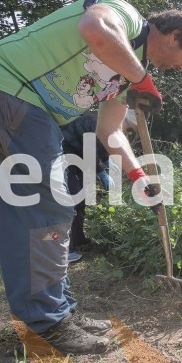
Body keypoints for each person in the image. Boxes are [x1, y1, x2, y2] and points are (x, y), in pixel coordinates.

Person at [0, 0, 182, 354]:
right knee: (46, 210)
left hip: (24, 107)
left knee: (43, 212)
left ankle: (58, 313)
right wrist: (140, 79)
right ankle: (47, 325)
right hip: (7, 92)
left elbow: (110, 132)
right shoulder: (126, 17)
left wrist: (139, 178)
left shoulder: (127, 72)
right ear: (174, 36)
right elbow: (94, 28)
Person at [60, 111, 115, 263]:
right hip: (64, 153)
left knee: (81, 197)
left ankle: (78, 239)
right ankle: (66, 249)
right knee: (73, 197)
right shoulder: (94, 122)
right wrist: (102, 173)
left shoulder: (106, 128)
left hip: (78, 156)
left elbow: (100, 147)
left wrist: (108, 161)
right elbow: (90, 150)